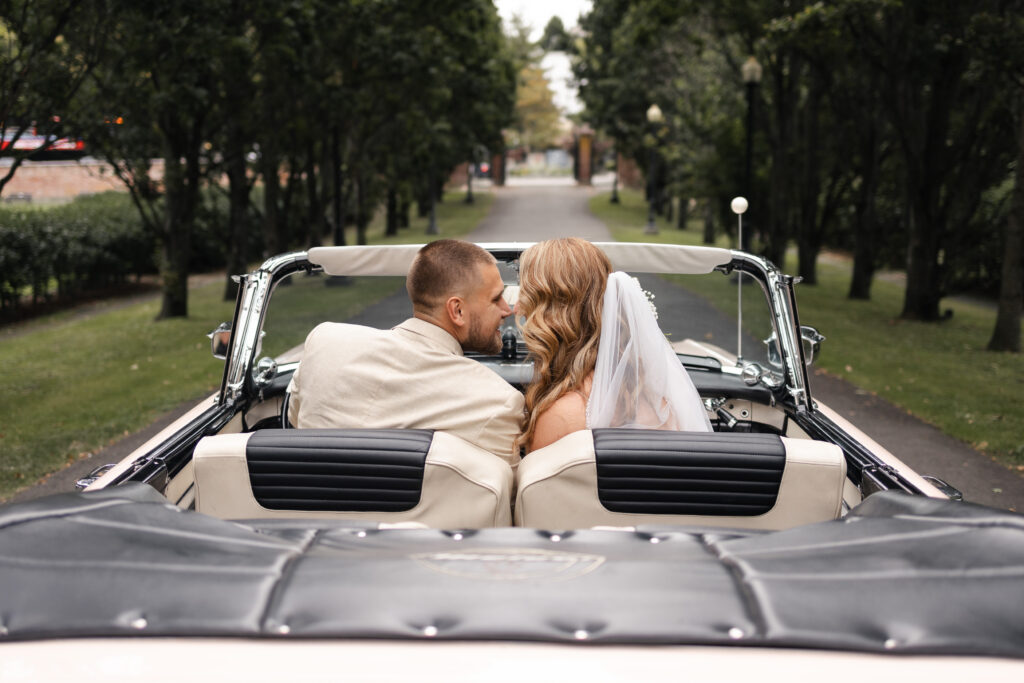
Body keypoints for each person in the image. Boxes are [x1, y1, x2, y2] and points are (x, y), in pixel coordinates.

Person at [287, 240, 525, 467]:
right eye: (496, 298)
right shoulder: (497, 401)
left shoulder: (323, 343)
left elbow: (294, 422)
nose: (508, 309)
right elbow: (506, 498)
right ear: (457, 310)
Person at [515, 238, 711, 453]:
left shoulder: (560, 417)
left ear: (553, 310)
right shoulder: (661, 404)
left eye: (526, 294)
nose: (517, 308)